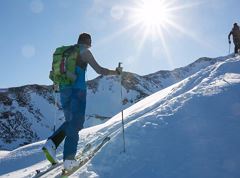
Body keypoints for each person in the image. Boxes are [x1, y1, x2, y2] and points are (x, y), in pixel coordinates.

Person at [42, 33, 122, 171]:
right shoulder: (84, 52)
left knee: (69, 121)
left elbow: (56, 72)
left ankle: (52, 143)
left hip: (63, 90)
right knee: (76, 123)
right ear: (89, 42)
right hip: (77, 91)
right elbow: (100, 70)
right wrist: (116, 72)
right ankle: (69, 160)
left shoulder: (66, 53)